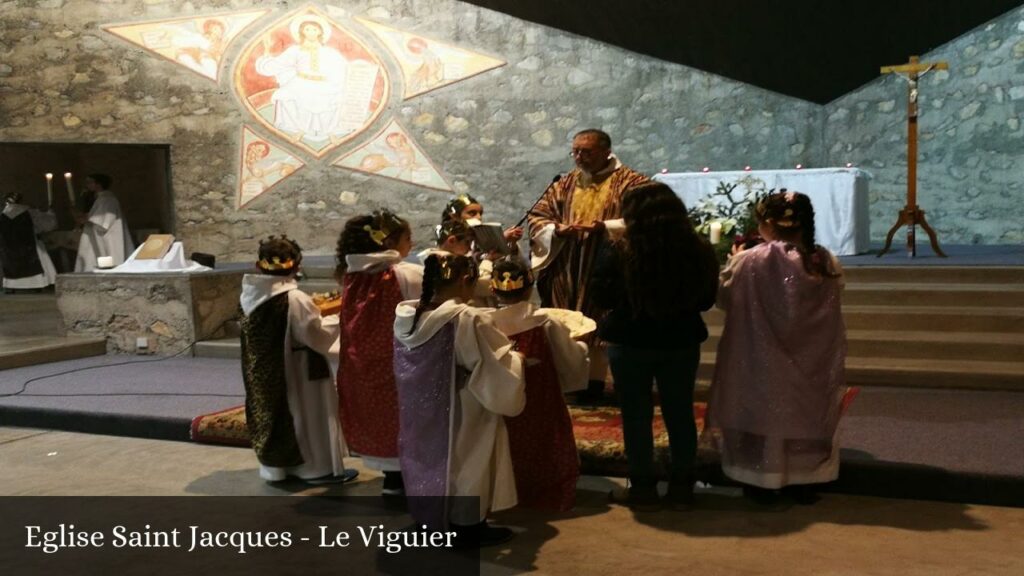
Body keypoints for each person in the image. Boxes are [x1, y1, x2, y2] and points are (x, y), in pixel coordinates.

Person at [704, 191, 847, 505]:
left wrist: (731, 262)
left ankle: (761, 480)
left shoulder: (749, 259)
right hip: (810, 356)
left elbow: (725, 300)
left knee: (762, 413)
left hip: (759, 355)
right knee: (802, 413)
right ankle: (804, 479)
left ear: (768, 222)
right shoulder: (823, 260)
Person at [589, 181, 720, 510]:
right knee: (680, 413)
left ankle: (642, 488)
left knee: (635, 416)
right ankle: (681, 487)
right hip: (680, 340)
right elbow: (705, 300)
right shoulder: (698, 248)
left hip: (630, 341)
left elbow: (601, 296)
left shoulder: (620, 247)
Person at [393, 253, 525, 547]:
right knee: (468, 462)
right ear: (466, 280)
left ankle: (428, 521)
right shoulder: (467, 318)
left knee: (426, 461)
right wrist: (517, 359)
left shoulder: (407, 318)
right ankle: (467, 526)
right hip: (463, 405)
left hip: (420, 408)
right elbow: (488, 363)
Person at [527, 129, 649, 401]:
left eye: (587, 152)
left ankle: (596, 382)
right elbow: (537, 216)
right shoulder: (564, 183)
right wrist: (557, 230)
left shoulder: (631, 182)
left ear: (606, 151)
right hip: (567, 266)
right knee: (565, 321)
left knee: (600, 322)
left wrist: (604, 227)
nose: (579, 157)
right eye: (575, 151)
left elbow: (644, 218)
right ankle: (570, 382)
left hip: (608, 268)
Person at [239, 235, 356, 484]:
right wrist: (340, 317)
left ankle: (280, 470)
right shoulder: (295, 299)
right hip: (300, 370)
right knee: (308, 417)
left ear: (258, 265)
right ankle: (315, 470)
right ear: (297, 265)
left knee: (281, 415)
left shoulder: (249, 296)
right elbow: (316, 335)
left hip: (266, 372)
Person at [487, 256, 589, 512]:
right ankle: (549, 492)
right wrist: (582, 347)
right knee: (544, 440)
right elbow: (570, 358)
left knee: (505, 442)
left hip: (501, 401)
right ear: (530, 287)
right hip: (541, 399)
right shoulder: (545, 321)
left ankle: (506, 495)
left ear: (492, 288)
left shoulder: (484, 323)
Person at [334, 210, 422, 496]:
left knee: (381, 417)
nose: (412, 243)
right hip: (400, 360)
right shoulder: (404, 273)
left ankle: (392, 477)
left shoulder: (352, 274)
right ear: (392, 241)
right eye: (408, 238)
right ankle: (411, 477)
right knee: (406, 416)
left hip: (364, 361)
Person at [256, 18, 350, 144]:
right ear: (302, 32)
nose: (311, 32)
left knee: (335, 99)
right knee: (285, 96)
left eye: (314, 29)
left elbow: (342, 66)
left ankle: (330, 131)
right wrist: (266, 56)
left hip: (324, 84)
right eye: (307, 29)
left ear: (320, 32)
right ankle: (299, 129)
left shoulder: (329, 52)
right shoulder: (295, 50)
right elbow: (279, 63)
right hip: (301, 82)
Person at [73, 173, 134, 272]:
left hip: (108, 237)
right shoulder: (100, 198)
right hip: (98, 235)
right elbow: (95, 216)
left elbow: (104, 221)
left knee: (109, 257)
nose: (87, 185)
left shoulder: (108, 199)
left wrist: (87, 219)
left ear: (98, 184)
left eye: (90, 182)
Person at [0, 192, 58, 291]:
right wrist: (50, 213)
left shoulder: (2, 215)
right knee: (39, 254)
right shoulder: (30, 212)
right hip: (29, 246)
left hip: (9, 249)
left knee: (10, 260)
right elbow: (48, 225)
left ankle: (12, 286)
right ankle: (37, 284)